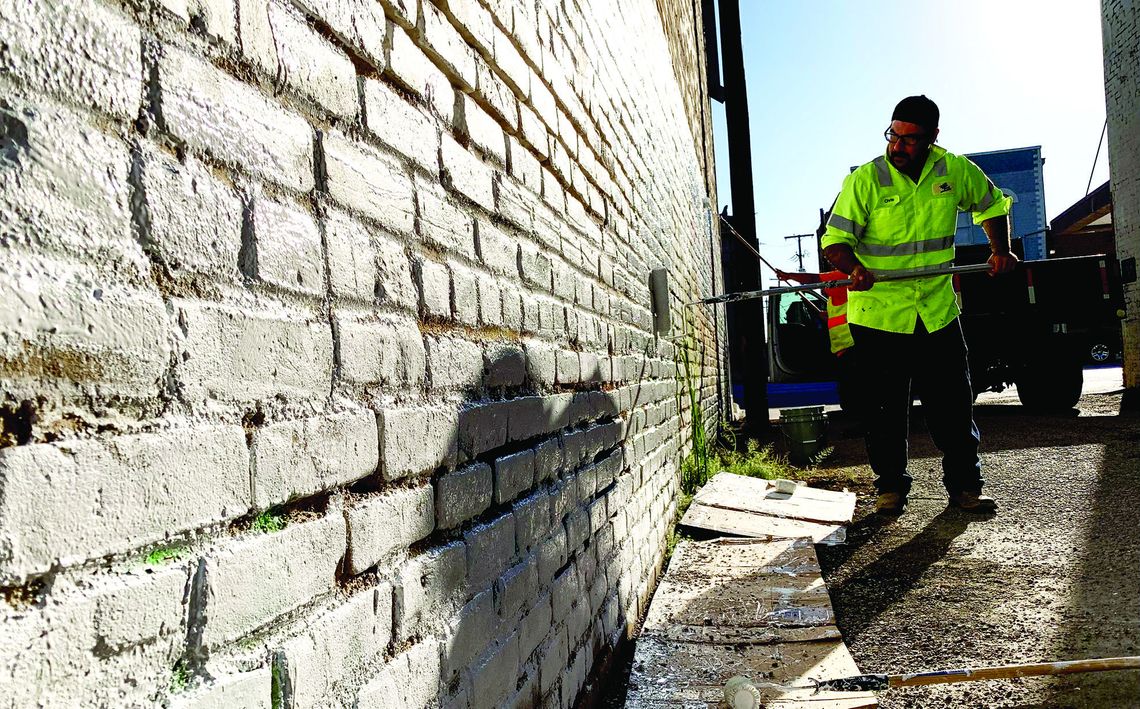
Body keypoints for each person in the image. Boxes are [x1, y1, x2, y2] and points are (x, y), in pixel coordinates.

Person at [819, 95, 1017, 515]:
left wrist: (1000, 248)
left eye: (910, 139)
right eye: (894, 135)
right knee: (884, 411)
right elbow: (834, 241)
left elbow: (991, 203)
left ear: (932, 138)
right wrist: (854, 267)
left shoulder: (953, 170)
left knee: (953, 406)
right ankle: (890, 489)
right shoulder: (866, 180)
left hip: (936, 311)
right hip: (879, 317)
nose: (898, 147)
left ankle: (965, 488)